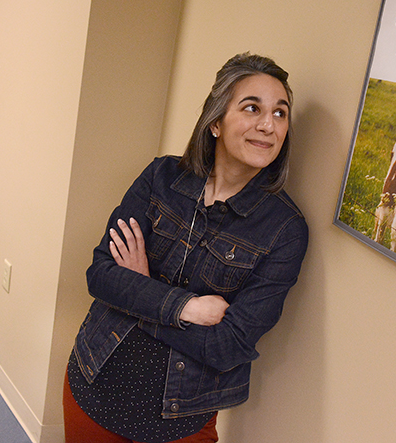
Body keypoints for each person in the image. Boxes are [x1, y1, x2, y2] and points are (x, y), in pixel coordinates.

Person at [64, 53, 309, 443]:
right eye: (252, 108)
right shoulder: (162, 176)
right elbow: (101, 275)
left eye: (281, 114)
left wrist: (140, 287)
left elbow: (228, 346)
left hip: (181, 421)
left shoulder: (284, 230)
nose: (269, 125)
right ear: (215, 121)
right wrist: (188, 307)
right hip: (95, 383)